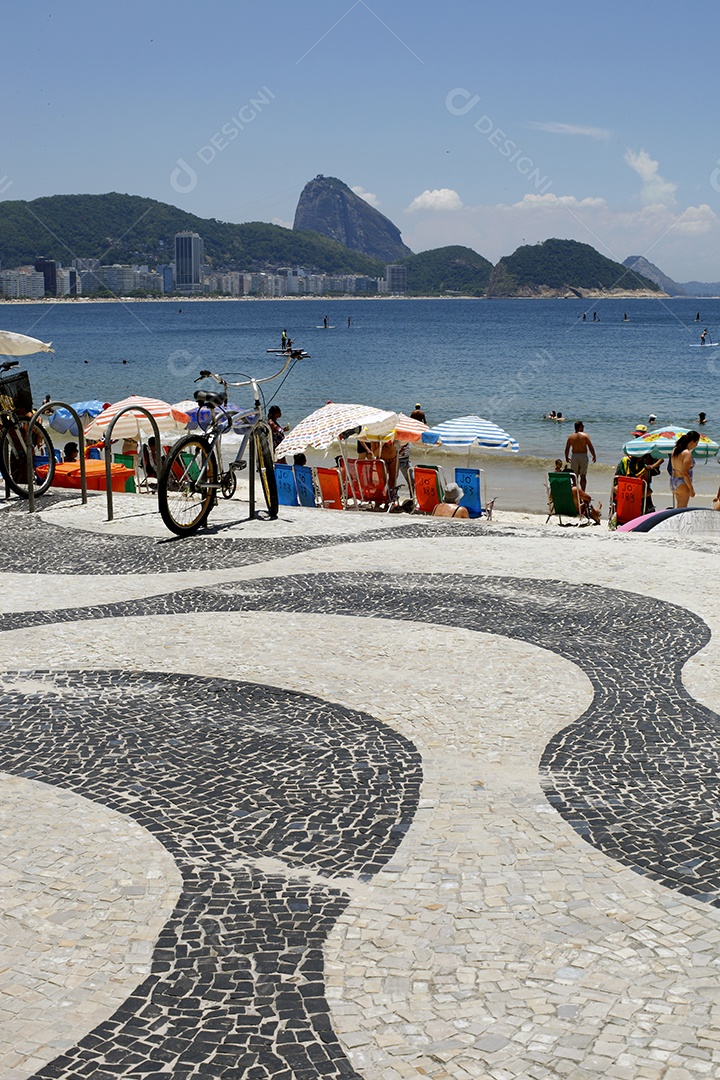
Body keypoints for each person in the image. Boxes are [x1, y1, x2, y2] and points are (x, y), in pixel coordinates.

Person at [669, 430, 700, 508]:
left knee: (679, 507)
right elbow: (685, 473)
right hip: (682, 482)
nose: (696, 445)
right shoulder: (687, 453)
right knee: (682, 509)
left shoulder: (675, 449)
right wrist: (691, 489)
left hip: (673, 480)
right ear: (692, 442)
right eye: (696, 443)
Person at [565, 421, 596, 491]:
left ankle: (576, 493)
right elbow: (590, 447)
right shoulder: (585, 436)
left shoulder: (570, 437)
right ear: (580, 427)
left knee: (574, 476)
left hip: (574, 456)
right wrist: (594, 455)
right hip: (583, 456)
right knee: (583, 476)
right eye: (582, 426)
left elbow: (567, 448)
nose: (584, 427)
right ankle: (583, 492)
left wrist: (566, 457)